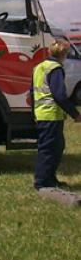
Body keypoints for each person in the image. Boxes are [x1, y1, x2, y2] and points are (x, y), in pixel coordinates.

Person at [31, 39, 80, 190]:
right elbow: (59, 95)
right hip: (51, 115)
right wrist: (74, 113)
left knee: (56, 147)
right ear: (63, 54)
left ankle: (50, 178)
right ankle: (42, 181)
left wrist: (34, 112)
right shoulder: (56, 68)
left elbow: (32, 92)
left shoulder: (39, 67)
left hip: (42, 114)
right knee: (49, 149)